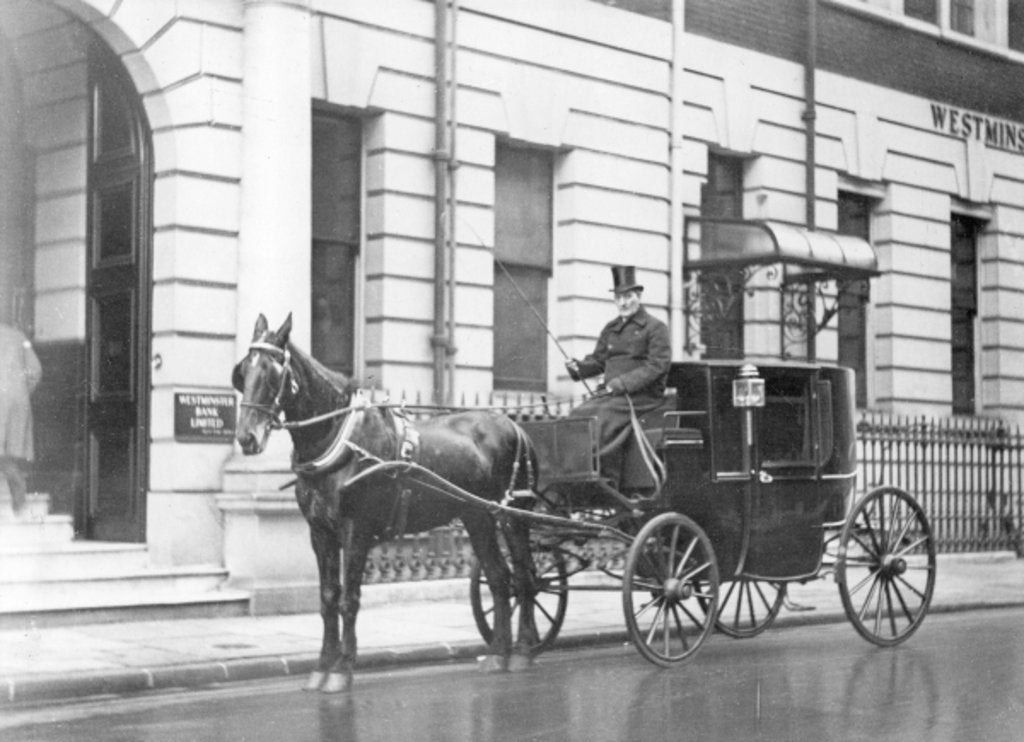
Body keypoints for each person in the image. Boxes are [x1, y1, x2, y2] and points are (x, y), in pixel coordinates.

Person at [565, 266, 671, 491]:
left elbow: (657, 366)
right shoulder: (611, 329)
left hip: (642, 397)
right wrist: (578, 368)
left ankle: (605, 477)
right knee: (577, 415)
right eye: (619, 297)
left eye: (628, 297)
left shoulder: (655, 328)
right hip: (614, 395)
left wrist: (621, 384)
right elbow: (598, 361)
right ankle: (574, 475)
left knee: (600, 418)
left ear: (638, 297)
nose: (623, 303)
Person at [0, 323, 41, 515]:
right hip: (17, 400)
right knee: (8, 453)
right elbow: (35, 370)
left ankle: (18, 500)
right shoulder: (19, 336)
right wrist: (22, 391)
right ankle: (19, 501)